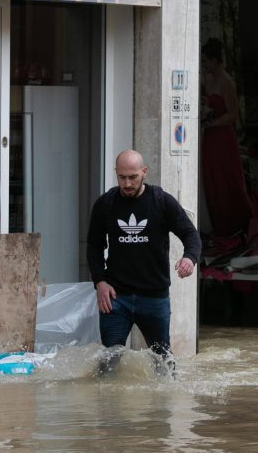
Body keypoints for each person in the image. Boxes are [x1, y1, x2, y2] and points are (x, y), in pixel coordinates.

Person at [86, 150, 201, 372]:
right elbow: (94, 246)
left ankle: (162, 406)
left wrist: (189, 258)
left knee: (164, 363)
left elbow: (190, 234)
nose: (127, 183)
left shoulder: (161, 201)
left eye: (133, 177)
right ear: (116, 174)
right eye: (122, 177)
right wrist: (99, 281)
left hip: (154, 297)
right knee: (109, 362)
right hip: (116, 297)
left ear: (144, 172)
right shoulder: (106, 204)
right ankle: (105, 406)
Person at [199, 38, 255, 237]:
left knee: (226, 178)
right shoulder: (208, 78)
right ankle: (218, 223)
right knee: (211, 177)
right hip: (210, 135)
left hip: (222, 136)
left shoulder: (226, 81)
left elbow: (233, 114)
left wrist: (210, 121)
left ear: (215, 60)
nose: (204, 64)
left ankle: (236, 224)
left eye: (206, 61)